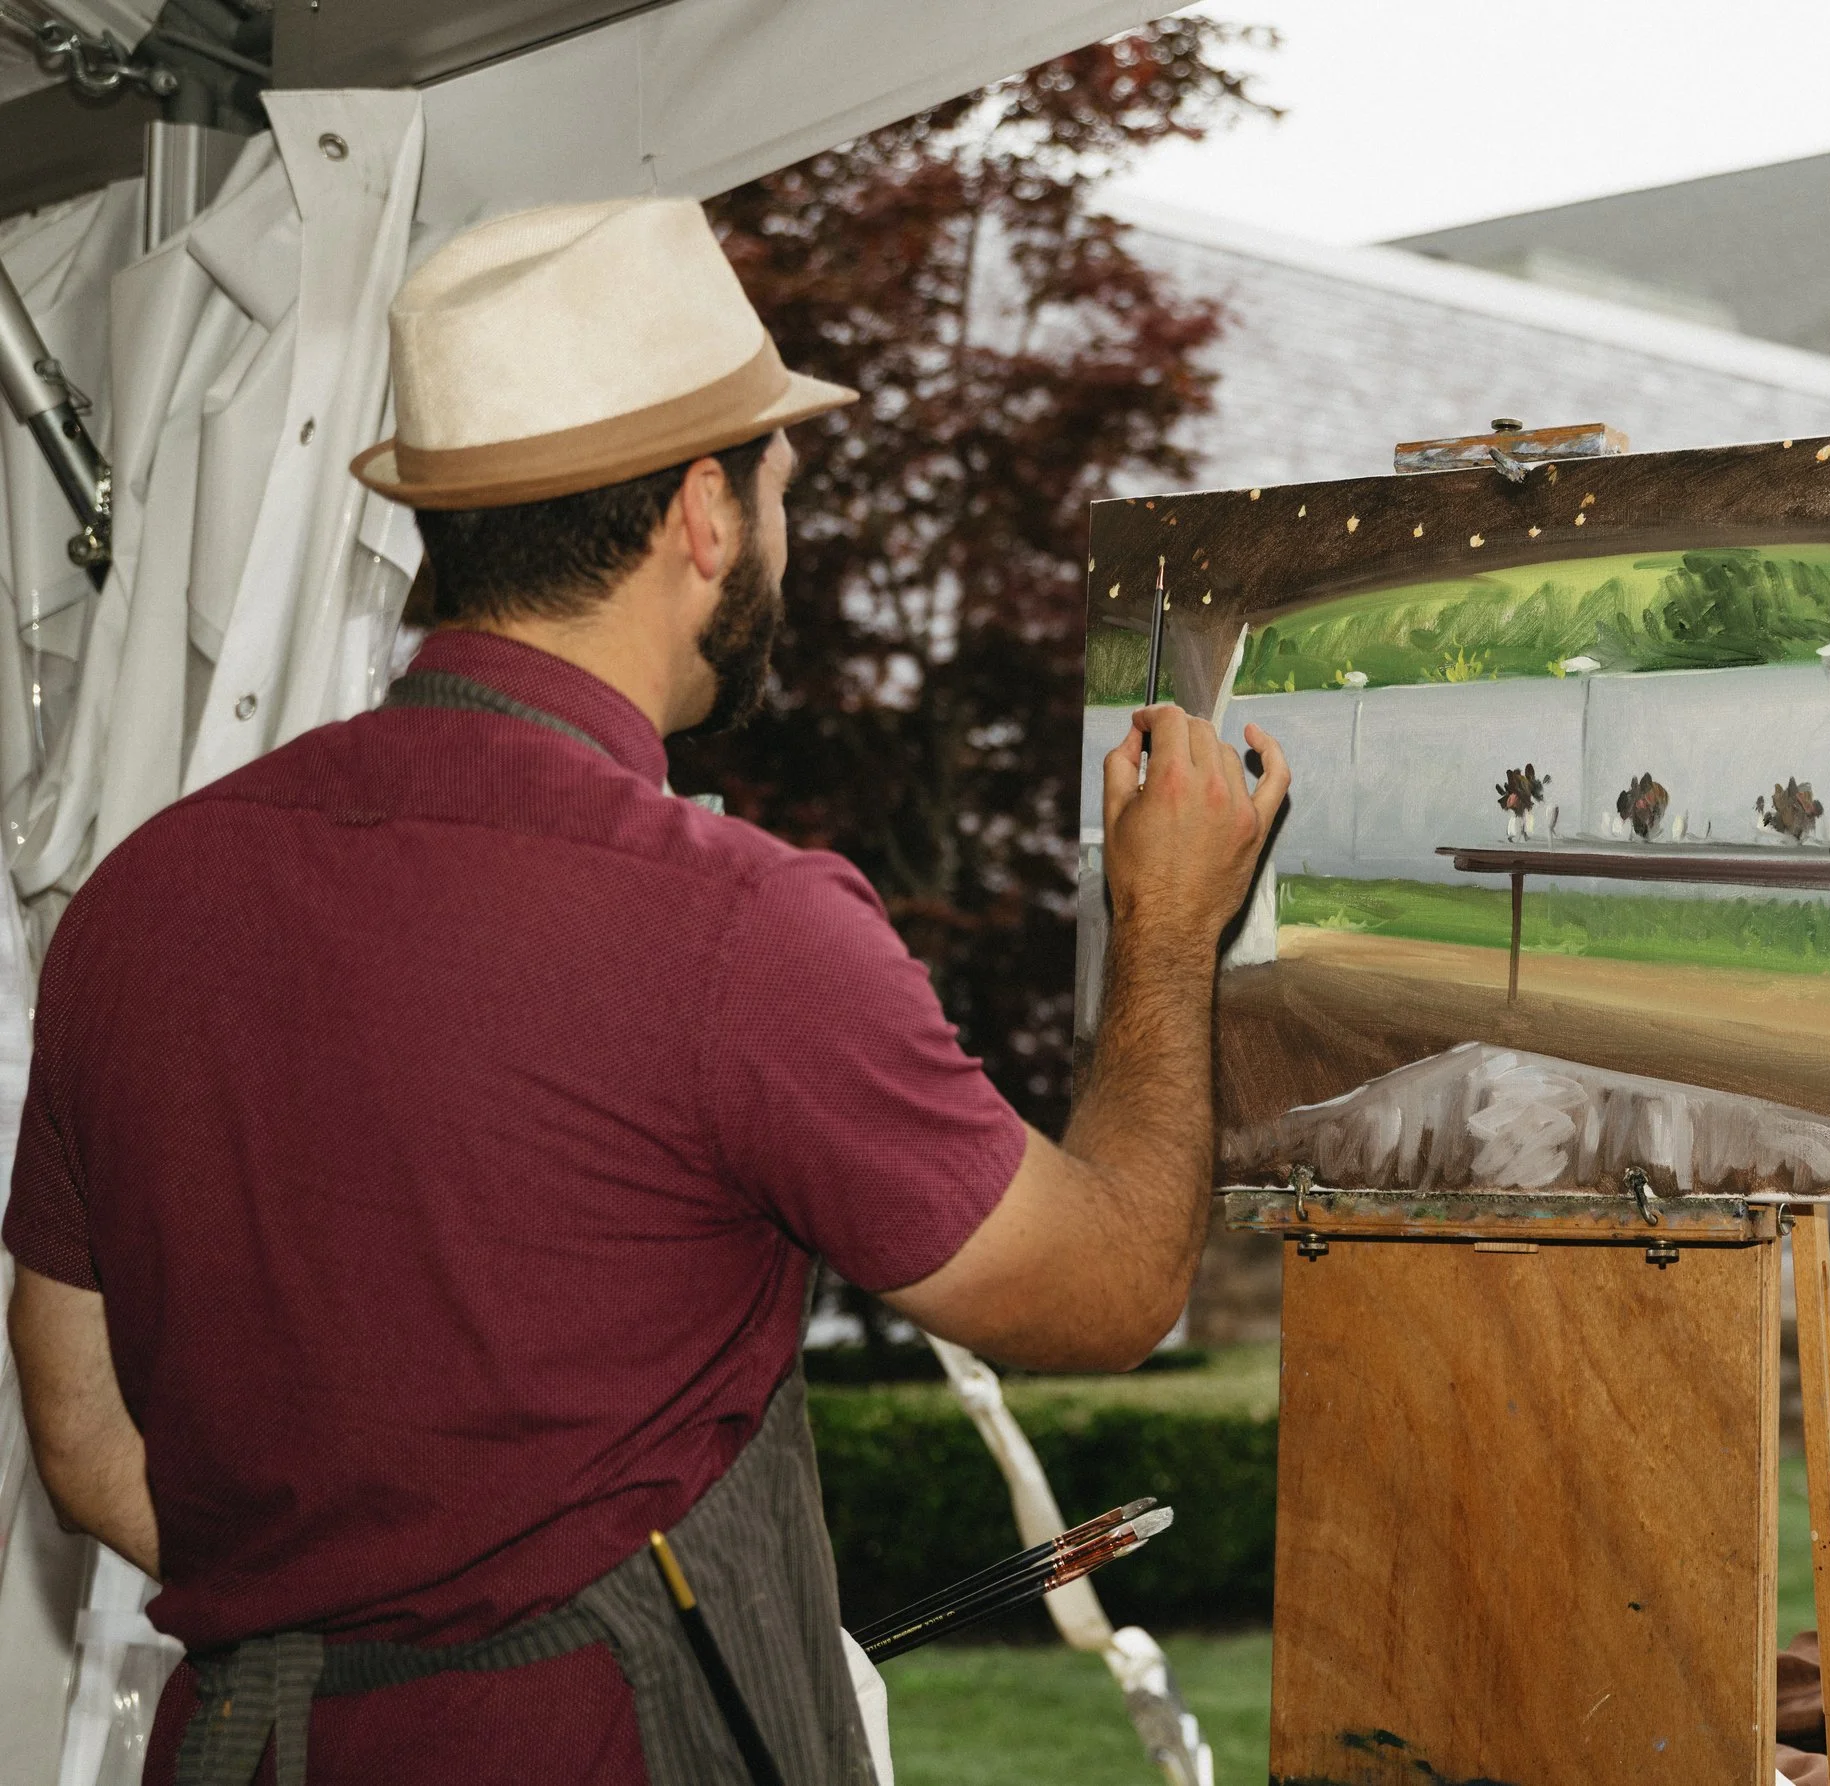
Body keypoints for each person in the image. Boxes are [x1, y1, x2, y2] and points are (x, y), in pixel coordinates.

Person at [2, 196, 1285, 1785]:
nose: (784, 536)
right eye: (779, 486)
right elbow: (1110, 1284)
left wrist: (344, 1601)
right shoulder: (736, 927)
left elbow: (83, 1435)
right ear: (704, 515)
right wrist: (1169, 925)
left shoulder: (139, 900)